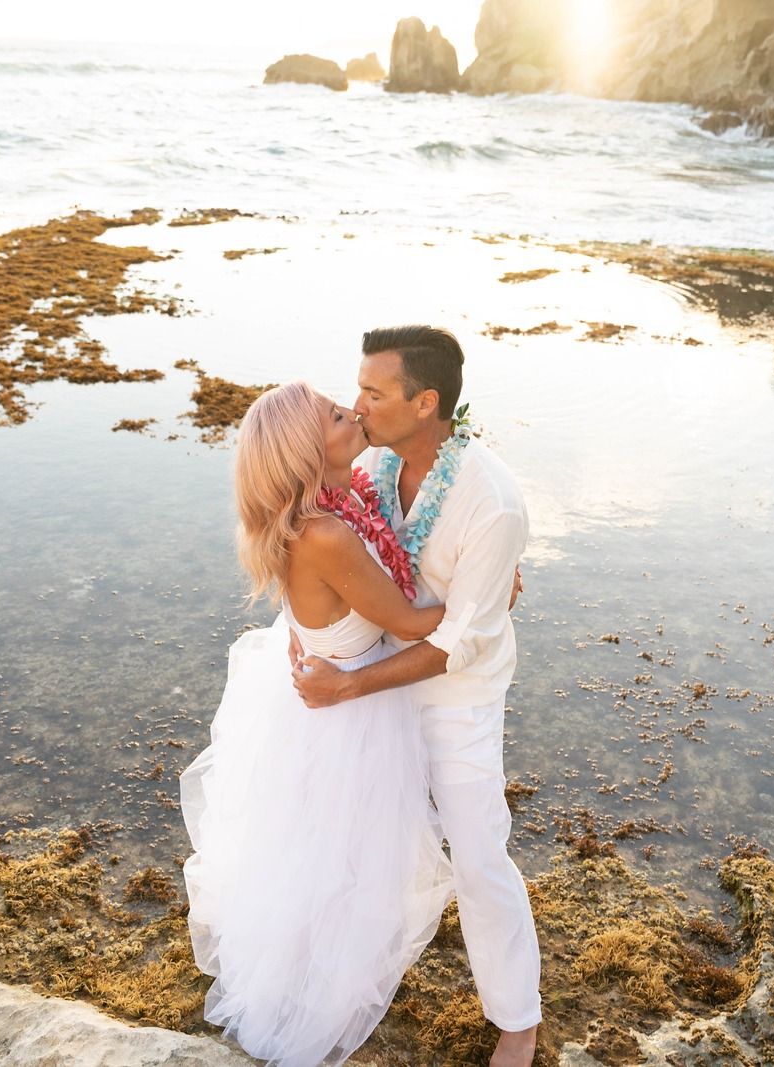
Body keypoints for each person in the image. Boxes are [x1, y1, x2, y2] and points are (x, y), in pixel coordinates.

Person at [179, 380, 455, 1066]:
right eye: (336, 415)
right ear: (310, 451)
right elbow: (414, 621)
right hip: (347, 715)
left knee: (315, 847)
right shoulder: (327, 531)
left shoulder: (345, 497)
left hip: (320, 689)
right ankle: (308, 996)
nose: (353, 412)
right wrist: (489, 586)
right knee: (341, 856)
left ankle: (306, 962)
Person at [292, 326, 542, 1067]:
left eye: (374, 392)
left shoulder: (492, 503)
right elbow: (333, 554)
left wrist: (346, 684)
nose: (357, 405)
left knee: (476, 852)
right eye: (358, 389)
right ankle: (354, 970)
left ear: (425, 401)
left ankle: (518, 1018)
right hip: (375, 678)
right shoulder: (375, 456)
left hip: (455, 694)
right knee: (363, 839)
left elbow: (455, 644)